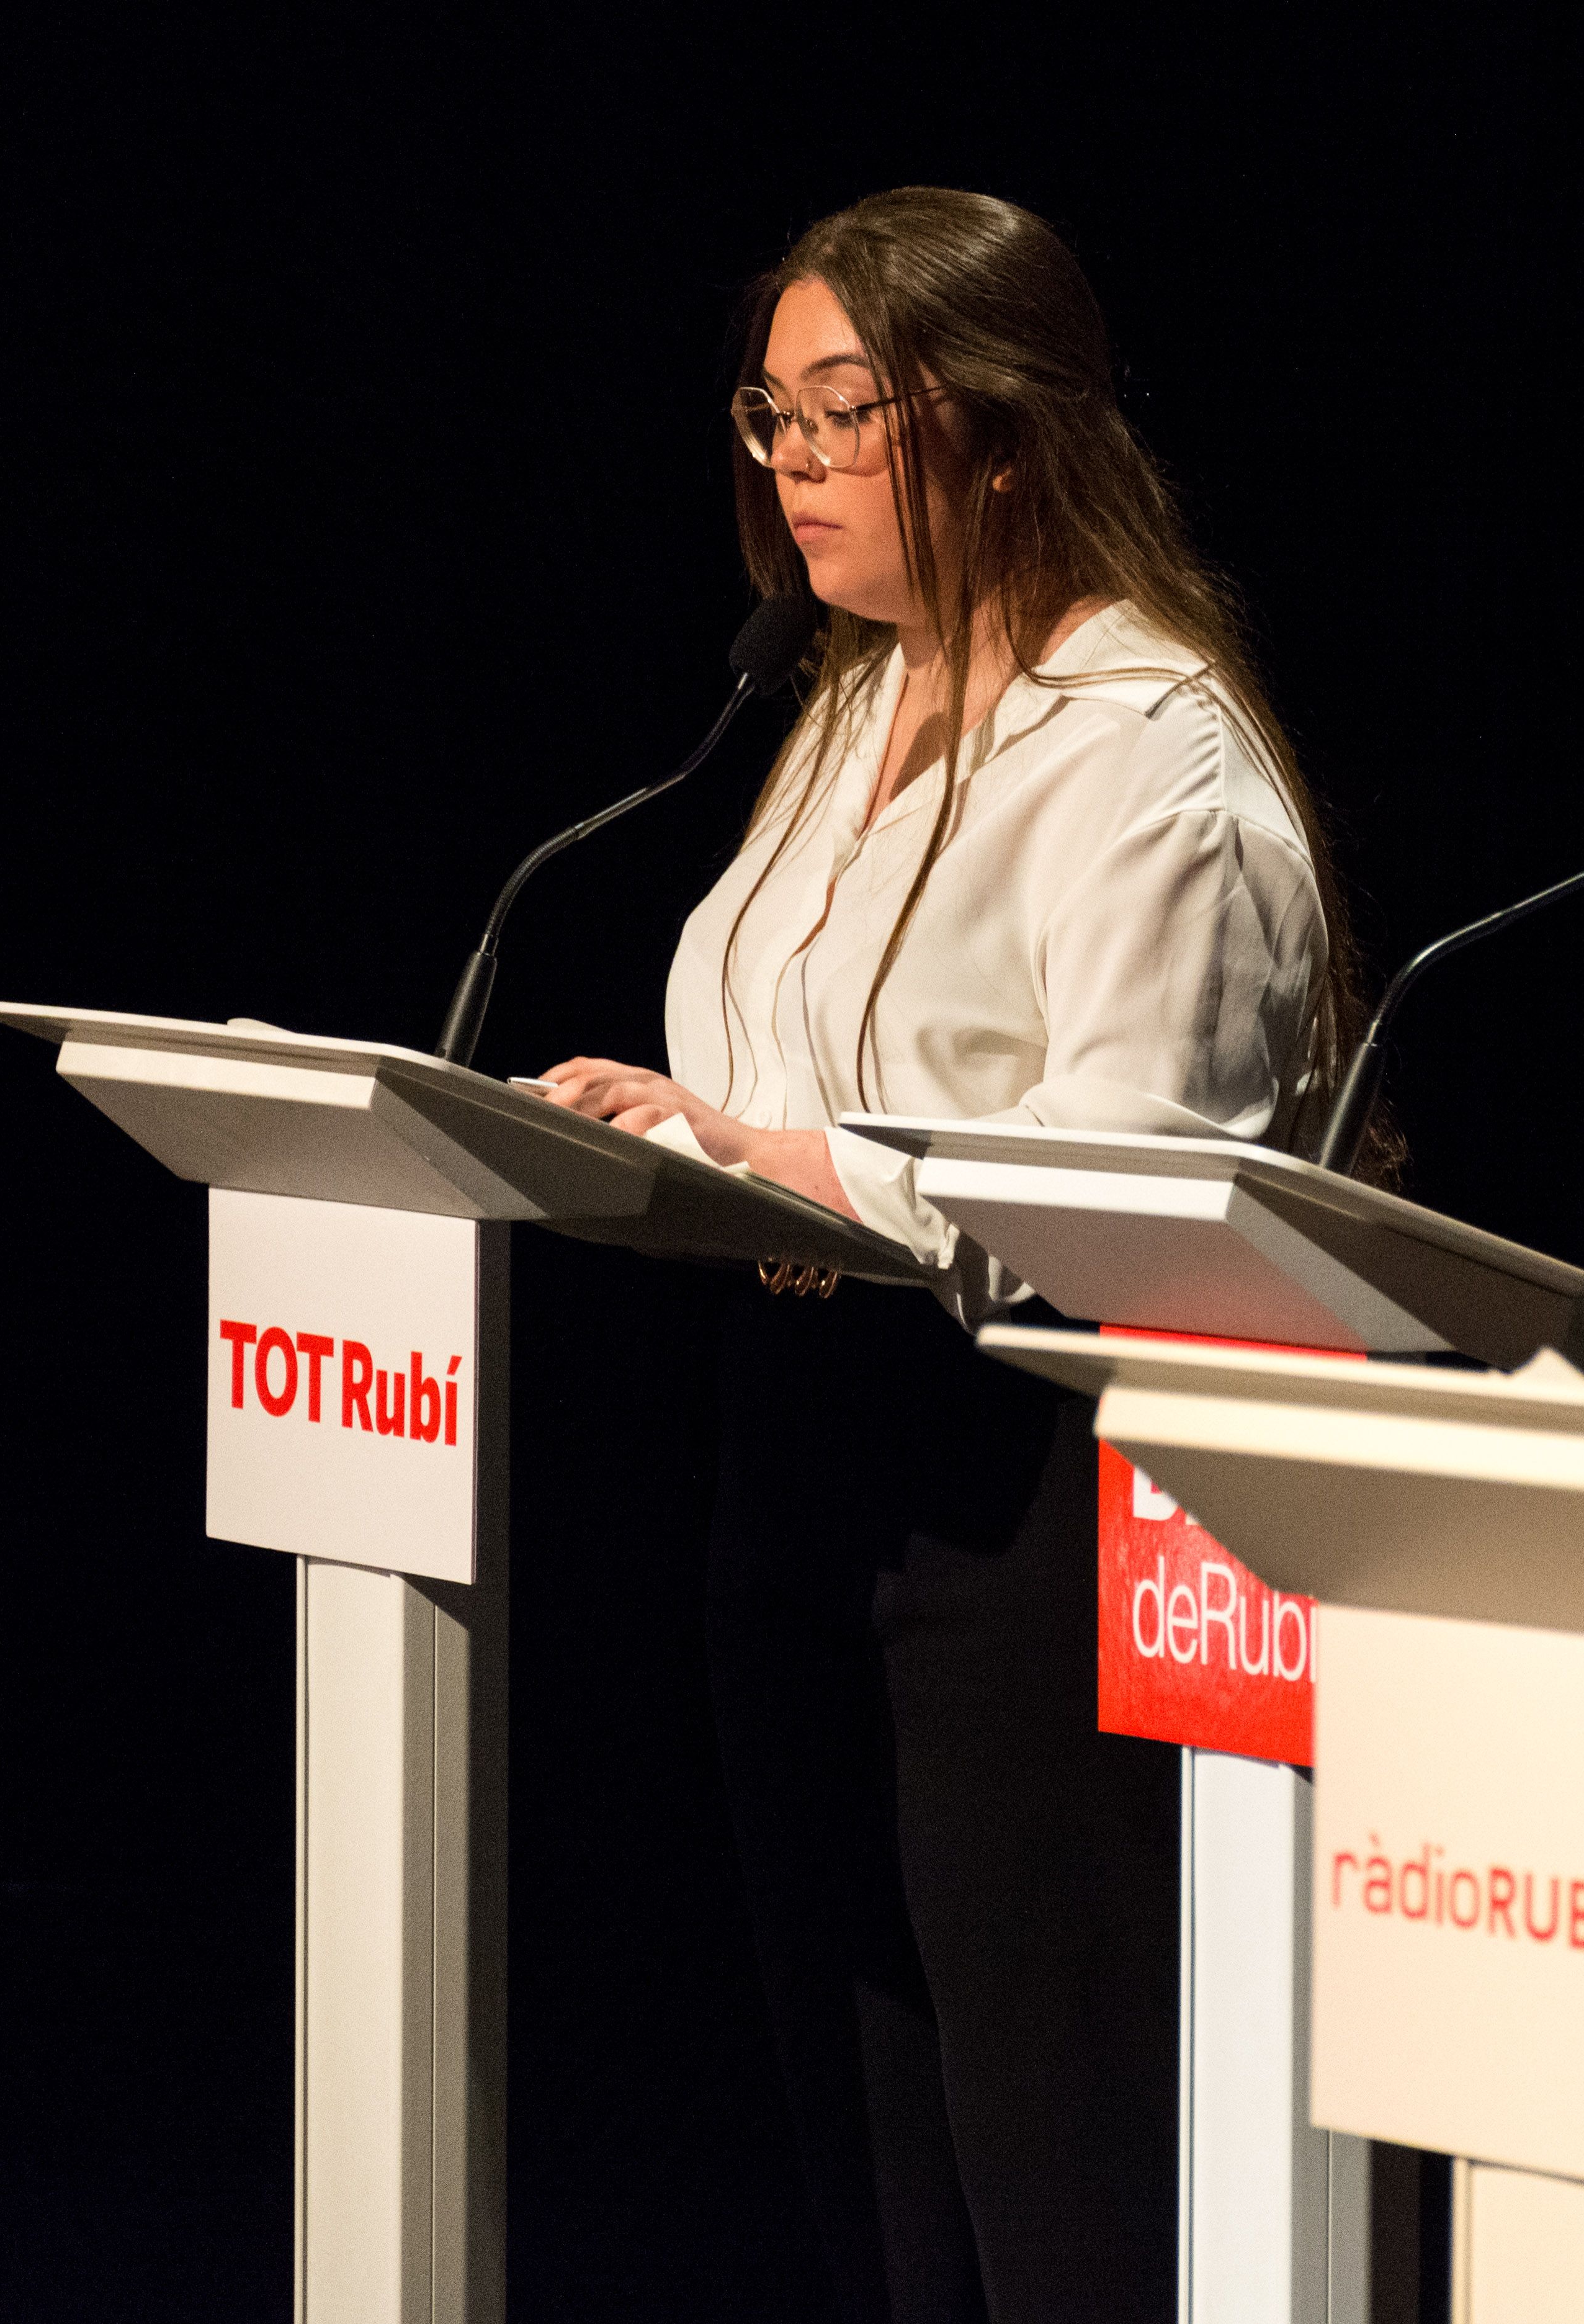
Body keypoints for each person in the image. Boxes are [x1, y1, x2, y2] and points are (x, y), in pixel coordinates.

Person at [532, 189, 1360, 2324]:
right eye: (769, 416)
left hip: (1027, 1492)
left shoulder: (1144, 755)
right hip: (798, 1462)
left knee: (1056, 2144)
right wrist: (681, 1133)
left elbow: (1136, 1175)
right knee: (873, 2135)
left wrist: (778, 1157)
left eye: (841, 414)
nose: (788, 464)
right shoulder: (827, 701)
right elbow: (748, 1046)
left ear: (994, 430)